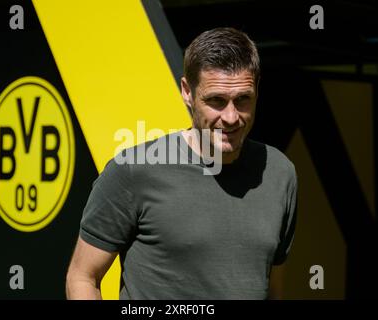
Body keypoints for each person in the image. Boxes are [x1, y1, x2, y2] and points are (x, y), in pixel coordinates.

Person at [66, 27, 297, 300]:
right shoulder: (133, 169)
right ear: (187, 91)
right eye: (216, 101)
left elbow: (272, 283)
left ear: (256, 90)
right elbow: (82, 277)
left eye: (243, 99)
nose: (232, 117)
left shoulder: (280, 173)